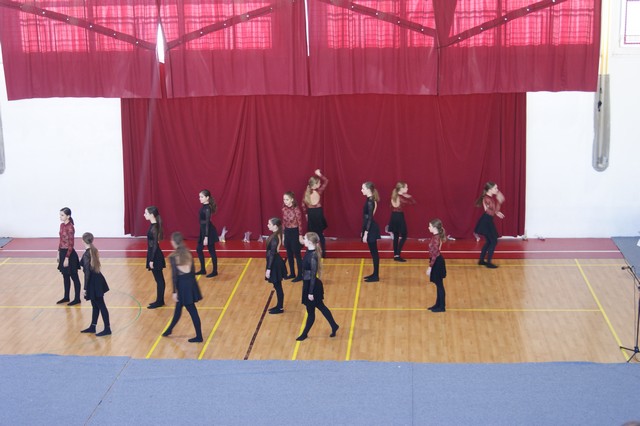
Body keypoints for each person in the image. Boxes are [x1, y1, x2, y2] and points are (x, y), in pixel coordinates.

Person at [296, 232, 339, 341]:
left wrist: (310, 292)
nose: (303, 240)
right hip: (309, 284)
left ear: (310, 242)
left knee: (311, 312)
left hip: (312, 286)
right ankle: (334, 325)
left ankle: (304, 334)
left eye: (305, 238)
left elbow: (313, 275)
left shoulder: (313, 256)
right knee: (321, 306)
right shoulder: (309, 251)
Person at [162, 232, 204, 343]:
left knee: (192, 310)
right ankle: (169, 330)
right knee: (179, 308)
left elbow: (174, 276)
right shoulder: (188, 253)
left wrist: (174, 291)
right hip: (191, 283)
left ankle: (199, 336)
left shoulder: (173, 257)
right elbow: (193, 270)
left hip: (182, 285)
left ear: (173, 242)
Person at [79, 232, 111, 336]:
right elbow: (82, 265)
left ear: (83, 241)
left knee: (101, 305)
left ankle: (107, 329)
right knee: (95, 305)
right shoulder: (93, 251)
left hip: (93, 282)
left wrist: (85, 288)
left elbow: (87, 273)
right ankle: (93, 326)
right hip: (97, 279)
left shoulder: (87, 254)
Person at [474, 182, 505, 269]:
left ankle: (481, 260)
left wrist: (497, 212)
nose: (497, 190)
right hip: (486, 221)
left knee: (489, 241)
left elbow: (492, 210)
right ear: (490, 189)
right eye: (495, 188)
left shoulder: (488, 198)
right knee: (493, 241)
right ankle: (488, 263)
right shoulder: (487, 198)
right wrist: (499, 202)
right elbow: (489, 211)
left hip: (487, 220)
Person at [56, 207, 82, 306]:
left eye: (62, 215)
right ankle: (66, 296)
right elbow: (61, 240)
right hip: (62, 253)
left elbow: (71, 244)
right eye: (60, 215)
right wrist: (58, 252)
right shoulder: (62, 225)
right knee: (65, 276)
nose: (60, 217)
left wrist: (67, 257)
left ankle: (77, 298)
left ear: (68, 216)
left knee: (74, 276)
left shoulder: (70, 227)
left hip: (69, 255)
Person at [302, 169, 329, 256]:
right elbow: (326, 181)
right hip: (318, 213)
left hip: (311, 213)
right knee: (320, 234)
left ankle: (312, 251)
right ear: (315, 184)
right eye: (319, 183)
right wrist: (319, 174)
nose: (320, 184)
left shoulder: (306, 192)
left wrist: (306, 214)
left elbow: (303, 204)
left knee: (311, 234)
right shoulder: (318, 191)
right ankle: (323, 252)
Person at [388, 181, 416, 262]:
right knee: (404, 235)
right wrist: (409, 196)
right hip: (399, 216)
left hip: (393, 216)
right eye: (406, 187)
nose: (407, 188)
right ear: (401, 188)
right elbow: (413, 202)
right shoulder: (400, 197)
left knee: (396, 236)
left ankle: (396, 255)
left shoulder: (395, 195)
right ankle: (397, 254)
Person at [144, 206, 166, 308]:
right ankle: (159, 300)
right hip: (153, 254)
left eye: (146, 213)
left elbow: (155, 245)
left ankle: (160, 301)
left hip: (155, 256)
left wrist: (152, 259)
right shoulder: (153, 226)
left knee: (159, 279)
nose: (144, 215)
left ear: (152, 215)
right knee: (158, 279)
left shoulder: (154, 227)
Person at [265, 218, 287, 314]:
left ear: (275, 226)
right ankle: (279, 305)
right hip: (274, 262)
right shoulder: (276, 234)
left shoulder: (275, 237)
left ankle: (280, 307)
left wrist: (269, 269)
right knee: (277, 286)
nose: (267, 225)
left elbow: (272, 254)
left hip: (275, 263)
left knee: (278, 286)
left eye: (269, 224)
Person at [196, 189, 219, 278]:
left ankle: (215, 271)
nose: (200, 198)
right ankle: (203, 269)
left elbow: (207, 223)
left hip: (208, 232)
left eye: (201, 197)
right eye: (199, 197)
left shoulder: (207, 209)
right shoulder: (203, 207)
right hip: (204, 231)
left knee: (212, 251)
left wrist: (206, 237)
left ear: (207, 197)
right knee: (199, 249)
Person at [361, 181, 381, 282]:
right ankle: (375, 274)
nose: (361, 190)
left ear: (368, 190)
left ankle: (376, 275)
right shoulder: (370, 200)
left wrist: (366, 233)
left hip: (371, 229)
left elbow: (369, 218)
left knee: (374, 253)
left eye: (363, 188)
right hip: (370, 228)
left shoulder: (370, 201)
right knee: (373, 253)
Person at [282, 191, 304, 282]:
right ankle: (292, 273)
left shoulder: (296, 210)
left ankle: (300, 275)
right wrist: (283, 235)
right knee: (289, 254)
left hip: (295, 232)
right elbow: (283, 223)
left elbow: (300, 223)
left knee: (297, 255)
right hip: (287, 232)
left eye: (287, 199)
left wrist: (300, 235)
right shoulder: (284, 209)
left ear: (292, 199)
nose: (285, 201)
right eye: (284, 199)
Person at [426, 219, 447, 313]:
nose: (428, 228)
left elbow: (434, 255)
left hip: (437, 263)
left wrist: (430, 267)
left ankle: (441, 307)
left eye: (430, 226)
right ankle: (438, 304)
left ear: (434, 228)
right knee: (439, 285)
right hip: (437, 261)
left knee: (439, 285)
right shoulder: (436, 237)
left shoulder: (436, 239)